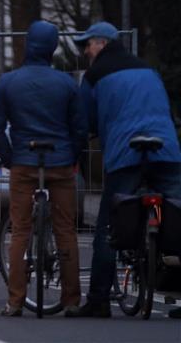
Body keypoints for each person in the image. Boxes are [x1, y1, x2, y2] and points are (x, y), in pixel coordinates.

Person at [65, 22, 181, 318]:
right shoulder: (147, 70)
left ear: (101, 44)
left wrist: (83, 140)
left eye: (87, 44)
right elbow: (165, 109)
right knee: (178, 217)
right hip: (165, 148)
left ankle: (99, 300)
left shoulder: (95, 75)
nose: (85, 51)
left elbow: (84, 119)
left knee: (108, 226)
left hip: (126, 153)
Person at [0, 20, 88, 317]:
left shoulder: (8, 82)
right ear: (53, 48)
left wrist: (9, 157)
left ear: (27, 45)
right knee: (65, 229)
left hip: (24, 162)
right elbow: (79, 127)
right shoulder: (67, 83)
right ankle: (71, 301)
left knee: (20, 230)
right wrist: (72, 156)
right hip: (59, 163)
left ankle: (15, 301)